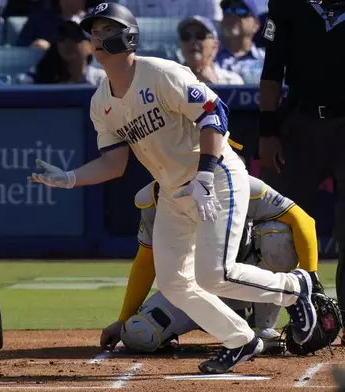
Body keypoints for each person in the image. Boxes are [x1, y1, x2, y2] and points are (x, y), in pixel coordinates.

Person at [29, 2, 316, 374]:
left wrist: (205, 175)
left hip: (216, 177)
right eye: (93, 33)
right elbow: (114, 165)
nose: (96, 39)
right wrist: (69, 178)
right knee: (174, 281)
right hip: (173, 191)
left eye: (105, 31)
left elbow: (215, 113)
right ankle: (239, 338)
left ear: (128, 36)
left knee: (214, 274)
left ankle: (294, 287)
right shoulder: (101, 101)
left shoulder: (160, 73)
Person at [100, 175, 322, 355]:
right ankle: (200, 325)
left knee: (278, 235)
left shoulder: (240, 186)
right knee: (139, 334)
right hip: (189, 290)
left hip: (242, 282)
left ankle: (262, 326)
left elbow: (302, 220)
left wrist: (312, 279)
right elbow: (146, 261)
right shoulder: (154, 199)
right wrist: (123, 319)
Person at [258, 0, 345, 322]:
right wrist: (267, 132)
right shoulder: (286, 6)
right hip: (301, 124)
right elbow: (271, 72)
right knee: (274, 223)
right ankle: (262, 317)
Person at [16, 20, 106, 85]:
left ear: (91, 46)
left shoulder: (101, 80)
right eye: (62, 38)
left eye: (74, 37)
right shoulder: (45, 76)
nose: (67, 42)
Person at [177, 15, 244, 85]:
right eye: (185, 36)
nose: (192, 41)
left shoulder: (232, 81)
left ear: (215, 46)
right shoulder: (169, 79)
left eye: (200, 35)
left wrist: (216, 86)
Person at [215, 0, 265, 84]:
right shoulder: (206, 59)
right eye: (227, 10)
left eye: (241, 10)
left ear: (255, 25)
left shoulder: (266, 62)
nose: (232, 15)